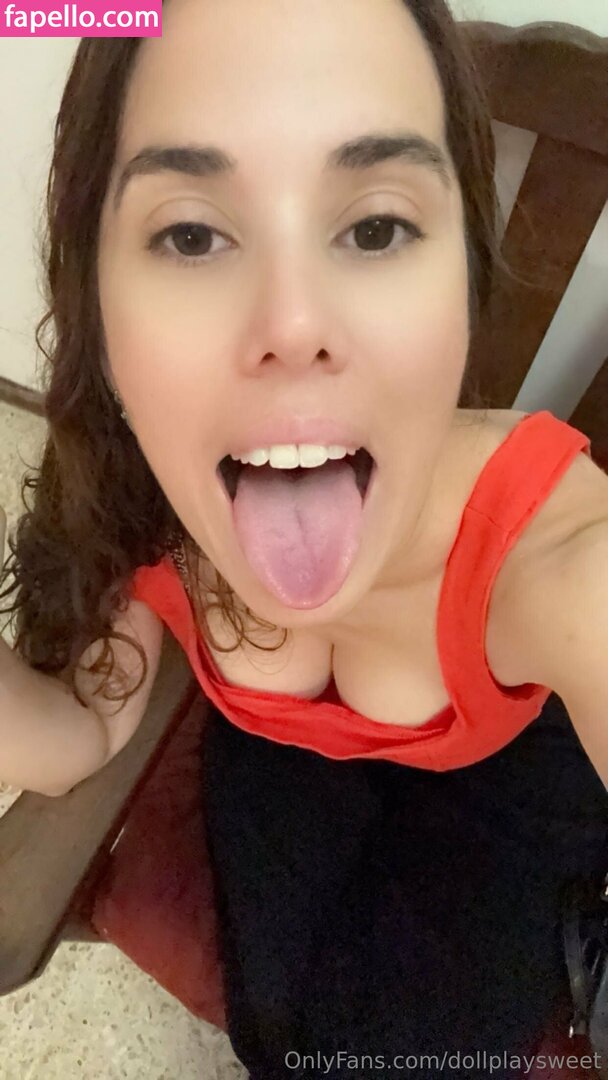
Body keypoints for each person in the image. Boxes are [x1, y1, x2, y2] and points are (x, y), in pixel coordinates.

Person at [1, 1, 607, 1077]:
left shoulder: (555, 554)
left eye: (374, 228)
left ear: (463, 286)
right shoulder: (143, 508)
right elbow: (81, 735)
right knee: (277, 1033)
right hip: (283, 747)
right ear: (98, 300)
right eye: (192, 234)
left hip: (504, 779)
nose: (292, 327)